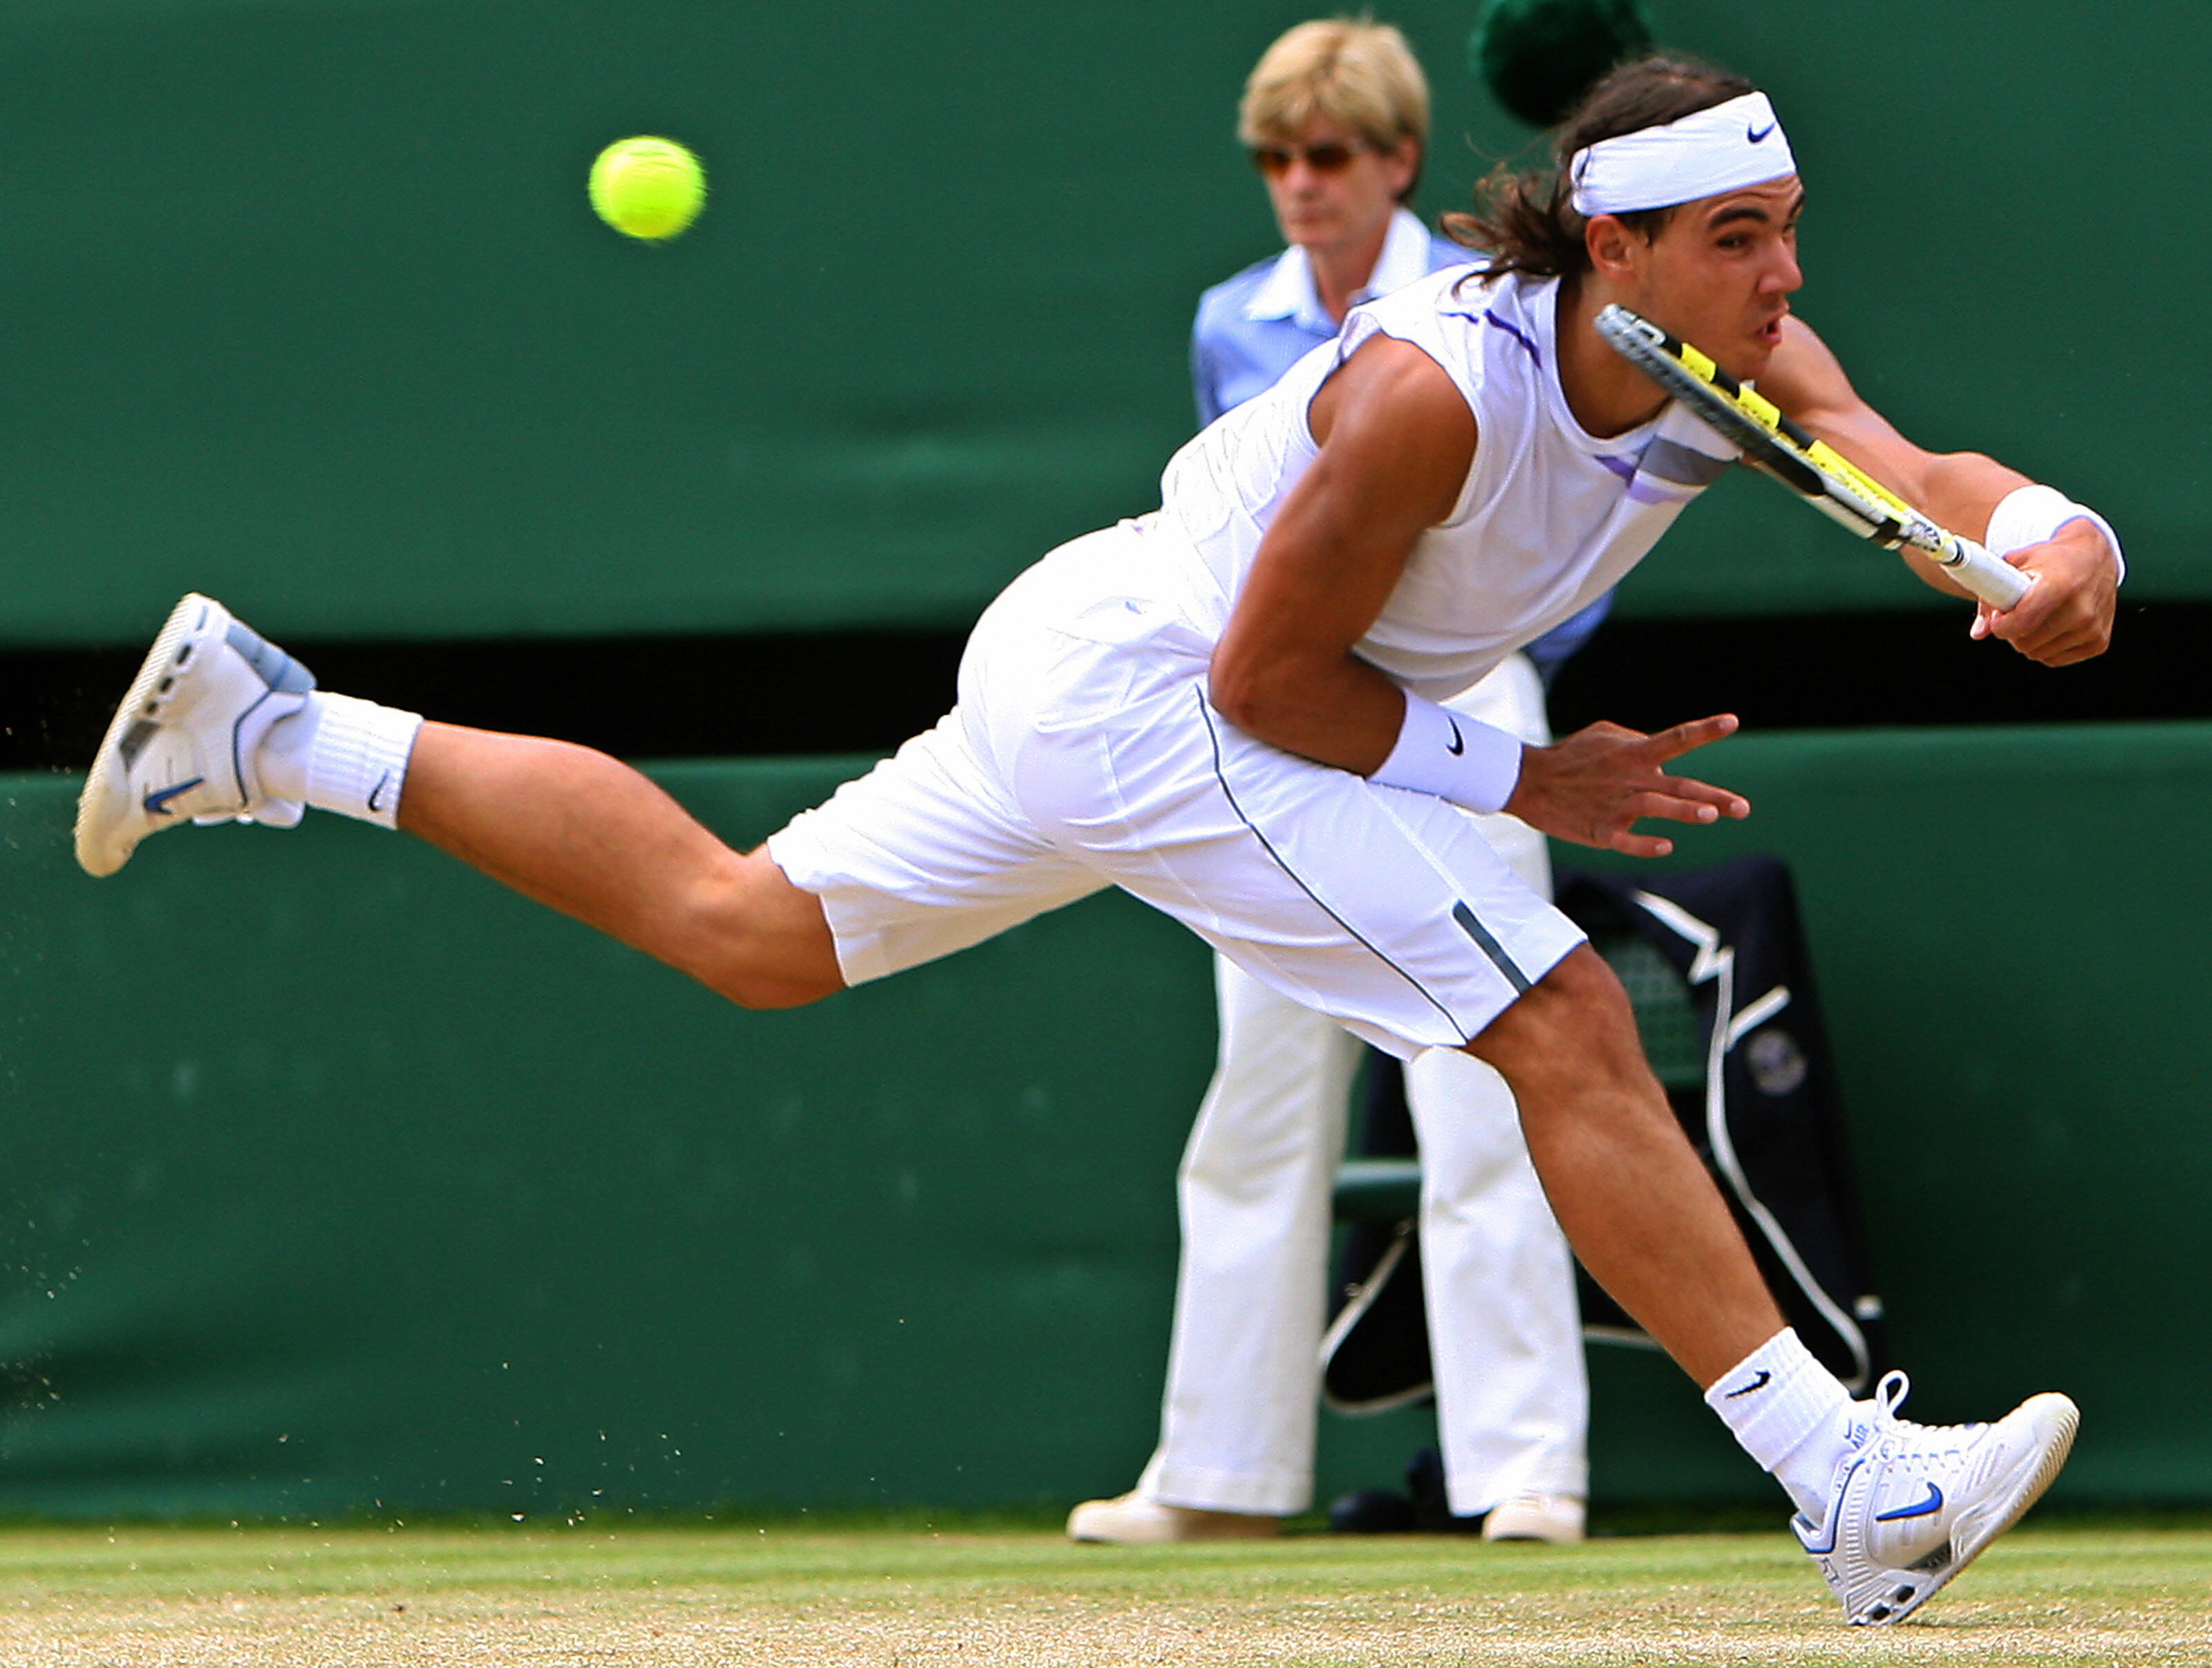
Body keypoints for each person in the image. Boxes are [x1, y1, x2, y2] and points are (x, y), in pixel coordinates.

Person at [76, 55, 2119, 1626]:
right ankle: (1841, 1477)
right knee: (1554, 1005)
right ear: (1620, 252)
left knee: (750, 925)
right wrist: (1527, 784)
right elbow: (1268, 689)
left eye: (1786, 227)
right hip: (1174, 687)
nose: (1785, 273)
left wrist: (2055, 541)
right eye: (1742, 237)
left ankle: (281, 730)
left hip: (1110, 666)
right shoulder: (1429, 395)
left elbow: (1915, 465)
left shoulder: (1732, 368)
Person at [1066, 17, 1591, 1550]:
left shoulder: (1492, 307)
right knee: (1258, 1086)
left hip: (1461, 701)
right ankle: (1221, 1476)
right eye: (1276, 158)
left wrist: (1508, 651)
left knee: (1487, 1076)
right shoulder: (1233, 319)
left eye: (1330, 156)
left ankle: (1525, 1471)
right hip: (1283, 716)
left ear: (1398, 163)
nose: (1299, 184)